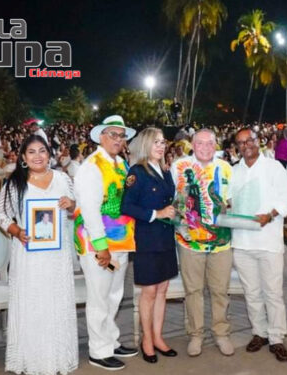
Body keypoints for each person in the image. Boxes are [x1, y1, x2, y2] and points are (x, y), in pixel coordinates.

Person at [0, 135, 78, 374]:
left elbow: (76, 207)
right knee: (32, 303)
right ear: (23, 157)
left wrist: (70, 204)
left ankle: (57, 358)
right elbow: (0, 214)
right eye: (31, 152)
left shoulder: (62, 179)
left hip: (57, 255)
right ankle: (32, 360)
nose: (38, 156)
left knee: (56, 302)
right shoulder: (15, 184)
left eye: (42, 151)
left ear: (49, 154)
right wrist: (16, 230)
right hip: (28, 255)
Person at [73, 115, 139, 371]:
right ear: (101, 136)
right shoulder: (92, 166)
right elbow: (89, 210)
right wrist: (101, 247)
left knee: (115, 294)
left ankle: (110, 341)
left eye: (122, 136)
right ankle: (98, 351)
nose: (118, 140)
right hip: (98, 245)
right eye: (113, 134)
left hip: (121, 242)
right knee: (99, 297)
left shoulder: (121, 163)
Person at [230, 128, 287, 362]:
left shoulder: (274, 167)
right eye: (241, 142)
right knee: (252, 292)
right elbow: (228, 201)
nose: (246, 145)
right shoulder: (233, 171)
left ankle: (276, 337)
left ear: (259, 142)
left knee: (273, 293)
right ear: (236, 146)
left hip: (268, 240)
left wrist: (271, 213)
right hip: (242, 241)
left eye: (250, 140)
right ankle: (259, 332)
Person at [170, 128, 234, 357]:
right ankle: (196, 334)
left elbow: (232, 200)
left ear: (215, 145)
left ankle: (221, 333)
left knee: (220, 290)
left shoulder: (226, 167)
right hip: (190, 242)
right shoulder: (178, 167)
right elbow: (172, 201)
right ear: (192, 145)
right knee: (193, 290)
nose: (205, 147)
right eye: (200, 143)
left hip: (221, 241)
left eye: (210, 143)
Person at [121, 127, 179, 364]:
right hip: (147, 239)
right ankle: (146, 340)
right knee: (149, 292)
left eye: (163, 142)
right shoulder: (137, 172)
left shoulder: (165, 171)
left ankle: (158, 337)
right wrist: (156, 213)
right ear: (145, 144)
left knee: (163, 290)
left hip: (165, 238)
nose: (160, 146)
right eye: (155, 142)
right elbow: (127, 206)